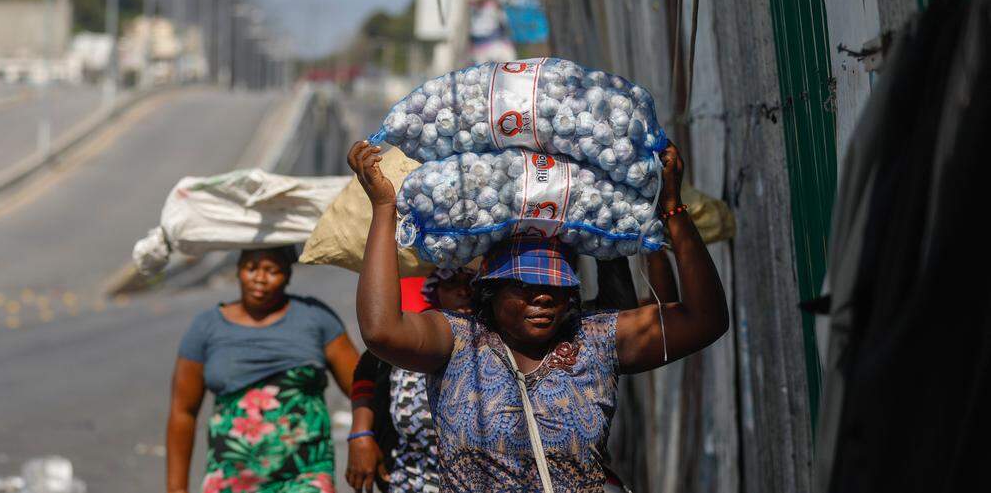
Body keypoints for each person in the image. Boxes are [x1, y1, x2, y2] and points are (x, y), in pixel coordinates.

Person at [347, 140, 728, 492]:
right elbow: (380, 330)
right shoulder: (458, 340)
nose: (543, 297)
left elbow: (705, 319)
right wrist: (384, 210)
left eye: (557, 287)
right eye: (523, 287)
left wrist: (673, 210)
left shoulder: (594, 339)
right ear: (490, 292)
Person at [166, 245, 360, 493]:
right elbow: (183, 412)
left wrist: (364, 435)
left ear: (288, 275)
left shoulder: (315, 318)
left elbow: (362, 389)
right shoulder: (206, 328)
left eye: (272, 270)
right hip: (230, 477)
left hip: (305, 475)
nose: (260, 278)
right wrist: (176, 489)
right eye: (251, 268)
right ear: (237, 270)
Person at [345, 269, 474, 493]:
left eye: (472, 282)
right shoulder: (414, 335)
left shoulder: (504, 341)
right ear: (436, 289)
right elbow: (366, 371)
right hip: (409, 478)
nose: (463, 291)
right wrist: (361, 433)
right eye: (451, 283)